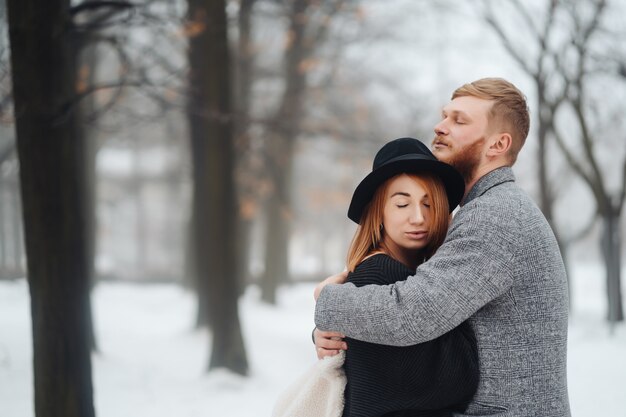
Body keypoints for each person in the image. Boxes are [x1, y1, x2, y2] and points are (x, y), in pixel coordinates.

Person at [313, 78, 571, 417]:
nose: (440, 127)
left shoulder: (496, 216)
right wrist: (331, 331)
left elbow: (411, 314)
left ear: (498, 144)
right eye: (444, 116)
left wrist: (327, 299)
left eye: (459, 121)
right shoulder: (489, 208)